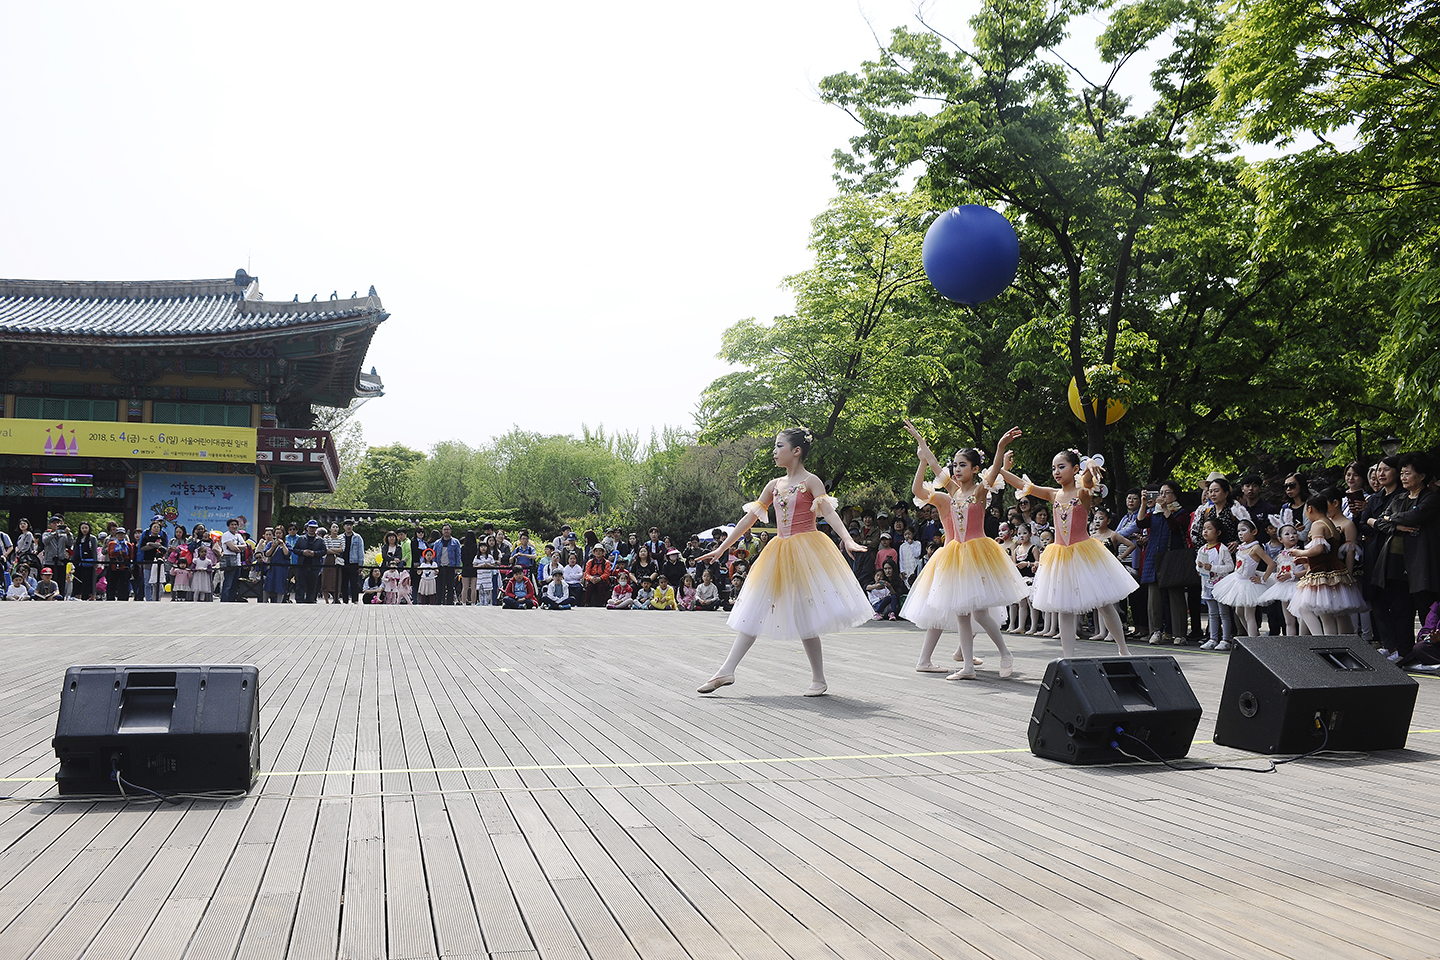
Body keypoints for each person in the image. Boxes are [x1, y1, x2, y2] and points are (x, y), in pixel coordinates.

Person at [697, 428, 872, 697]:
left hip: (807, 550)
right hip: (778, 552)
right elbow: (748, 520)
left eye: (779, 446)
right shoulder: (773, 484)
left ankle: (818, 678)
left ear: (796, 451)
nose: (774, 451)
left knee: (806, 615)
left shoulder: (812, 481)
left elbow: (829, 513)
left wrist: (847, 539)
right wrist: (722, 547)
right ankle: (726, 670)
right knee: (754, 609)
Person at [899, 421, 1028, 677]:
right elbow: (928, 474)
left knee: (979, 614)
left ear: (975, 468)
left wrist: (1000, 447)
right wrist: (921, 448)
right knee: (961, 612)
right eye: (955, 465)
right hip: (954, 554)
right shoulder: (951, 492)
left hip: (977, 553)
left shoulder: (980, 491)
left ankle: (1003, 653)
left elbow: (993, 474)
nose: (957, 469)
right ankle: (968, 666)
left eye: (963, 465)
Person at [994, 430, 1135, 658]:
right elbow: (1019, 483)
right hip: (1060, 555)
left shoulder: (1083, 492)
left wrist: (1089, 462)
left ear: (1075, 469)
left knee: (1104, 603)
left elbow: (1089, 477)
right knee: (1064, 607)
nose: (1056, 472)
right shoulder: (1052, 494)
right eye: (1054, 468)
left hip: (1084, 553)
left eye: (1061, 466)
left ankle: (1123, 649)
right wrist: (1001, 459)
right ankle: (1069, 658)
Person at [1366, 452, 1440, 659]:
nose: (1403, 477)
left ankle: (1429, 654)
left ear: (1422, 476)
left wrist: (1391, 520)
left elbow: (1416, 515)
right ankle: (1405, 653)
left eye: (1408, 473)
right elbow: (1378, 522)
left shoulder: (1432, 498)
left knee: (1426, 610)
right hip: (1395, 564)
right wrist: (1396, 524)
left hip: (1420, 563)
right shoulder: (1399, 498)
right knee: (1400, 611)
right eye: (1402, 473)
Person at [1292, 494, 1368, 636]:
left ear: (1309, 508)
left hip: (1322, 573)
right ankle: (1342, 643)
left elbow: (1319, 548)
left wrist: (1300, 552)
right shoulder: (1331, 524)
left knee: (1316, 611)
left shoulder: (1318, 524)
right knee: (1338, 614)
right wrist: (1307, 559)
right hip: (1333, 569)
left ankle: (1323, 643)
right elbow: (1326, 551)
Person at [1135, 481, 1192, 644]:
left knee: (1176, 597)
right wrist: (1144, 504)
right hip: (1154, 556)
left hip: (1172, 557)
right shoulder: (1155, 513)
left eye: (1167, 493)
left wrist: (1166, 509)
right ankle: (1155, 631)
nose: (1163, 496)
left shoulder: (1181, 512)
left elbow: (1175, 527)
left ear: (1175, 495)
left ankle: (1179, 634)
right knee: (1154, 598)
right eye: (1161, 492)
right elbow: (1140, 522)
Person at [1211, 519, 1275, 640]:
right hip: (1237, 580)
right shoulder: (1242, 546)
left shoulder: (1256, 548)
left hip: (1248, 583)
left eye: (1244, 530)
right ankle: (1254, 635)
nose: (1240, 533)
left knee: (1248, 614)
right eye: (1238, 531)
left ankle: (1254, 641)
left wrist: (1263, 579)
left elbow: (1271, 564)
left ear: (1254, 532)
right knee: (1239, 612)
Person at [1195, 518, 1237, 650]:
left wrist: (1212, 568)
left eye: (1209, 528)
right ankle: (1213, 638)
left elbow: (1230, 566)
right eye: (1204, 529)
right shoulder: (1203, 549)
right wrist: (1200, 568)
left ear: (1218, 532)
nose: (1205, 531)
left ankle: (1225, 639)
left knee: (1223, 613)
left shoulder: (1222, 549)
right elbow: (1197, 565)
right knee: (1212, 613)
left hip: (1220, 585)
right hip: (1207, 585)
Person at [293, 520, 327, 603]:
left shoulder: (320, 540)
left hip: (314, 565)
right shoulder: (301, 539)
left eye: (314, 528)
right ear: (307, 528)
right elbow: (295, 550)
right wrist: (302, 552)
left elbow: (324, 551)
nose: (312, 529)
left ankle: (310, 600)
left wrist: (314, 553)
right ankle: (299, 600)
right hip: (302, 564)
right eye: (310, 527)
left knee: (312, 585)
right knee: (300, 584)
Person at [69, 521, 100, 601]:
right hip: (78, 563)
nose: (84, 530)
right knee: (78, 580)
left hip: (89, 562)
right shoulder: (77, 539)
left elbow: (94, 551)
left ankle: (92, 597)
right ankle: (79, 596)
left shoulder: (92, 539)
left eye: (86, 528)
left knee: (90, 580)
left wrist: (95, 562)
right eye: (82, 528)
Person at [340, 519, 365, 604]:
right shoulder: (340, 537)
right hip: (342, 562)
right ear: (344, 527)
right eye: (347, 525)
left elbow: (360, 551)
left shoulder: (357, 537)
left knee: (354, 582)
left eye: (350, 525)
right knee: (344, 583)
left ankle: (355, 600)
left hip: (353, 563)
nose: (349, 527)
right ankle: (345, 600)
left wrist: (361, 564)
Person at [105, 528, 132, 601]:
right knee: (111, 583)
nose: (120, 535)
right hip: (114, 565)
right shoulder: (111, 543)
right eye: (118, 534)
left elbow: (130, 555)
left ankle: (123, 598)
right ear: (116, 535)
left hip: (124, 565)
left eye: (122, 534)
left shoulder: (128, 545)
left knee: (124, 584)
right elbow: (111, 553)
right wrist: (120, 552)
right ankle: (110, 598)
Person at [321, 522, 344, 603]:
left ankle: (336, 599)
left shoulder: (341, 538)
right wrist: (337, 550)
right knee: (326, 579)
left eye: (337, 527)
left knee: (338, 579)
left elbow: (342, 549)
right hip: (328, 560)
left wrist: (333, 550)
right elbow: (327, 550)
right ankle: (326, 600)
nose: (335, 528)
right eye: (333, 527)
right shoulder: (326, 538)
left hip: (337, 560)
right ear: (330, 529)